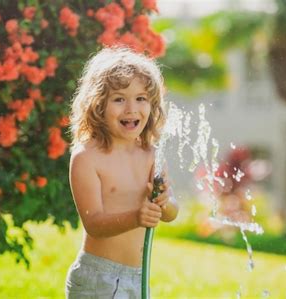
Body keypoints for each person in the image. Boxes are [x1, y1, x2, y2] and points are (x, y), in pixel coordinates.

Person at [65, 47, 179, 299]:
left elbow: (171, 211)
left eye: (141, 98)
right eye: (119, 99)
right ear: (97, 104)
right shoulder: (87, 157)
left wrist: (164, 204)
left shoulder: (151, 154)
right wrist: (136, 217)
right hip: (98, 278)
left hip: (138, 278)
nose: (131, 109)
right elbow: (93, 223)